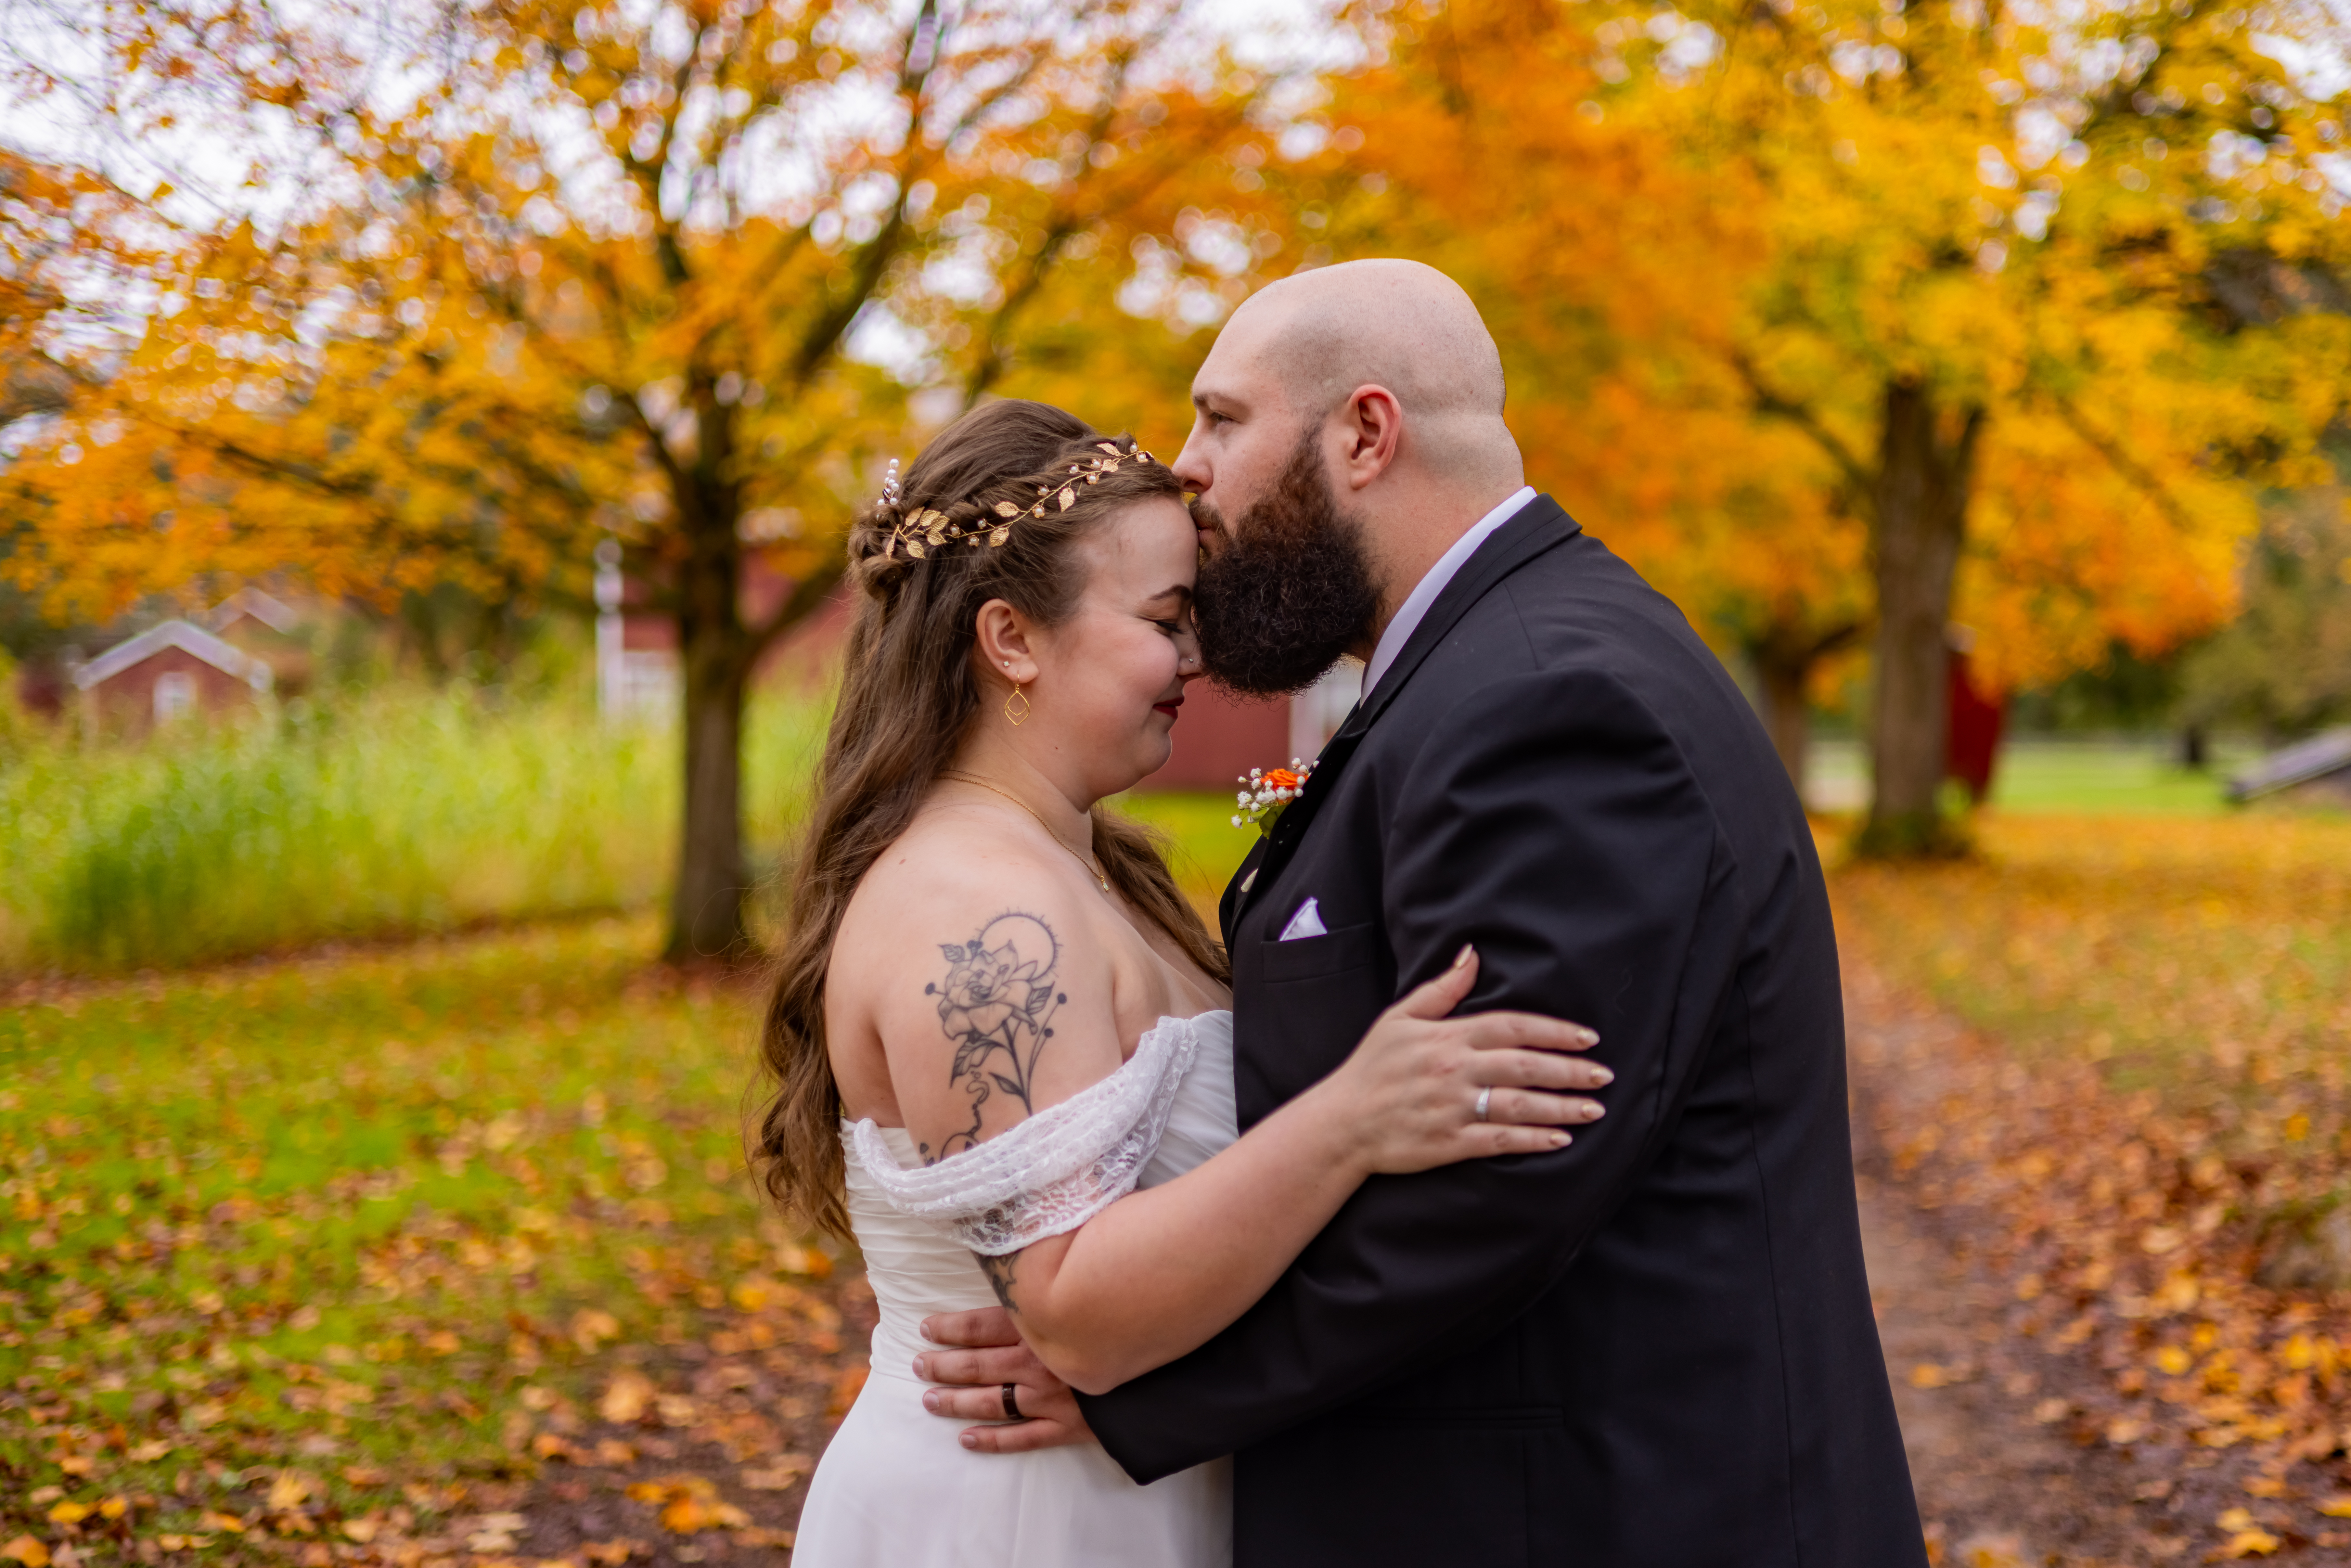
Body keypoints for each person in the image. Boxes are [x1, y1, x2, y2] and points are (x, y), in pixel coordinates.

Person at [914, 260, 1929, 1566]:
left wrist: (1140, 1382)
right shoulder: (1482, 673)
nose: (1187, 472)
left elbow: (1505, 1178)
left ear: (1366, 433)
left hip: (1613, 1513)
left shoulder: (1554, 702)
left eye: (1222, 420)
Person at [752, 398, 1613, 1567]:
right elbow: (1072, 1309)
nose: (1197, 658)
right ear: (1011, 639)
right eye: (1166, 619)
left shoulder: (1076, 867)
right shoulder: (983, 914)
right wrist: (1353, 1118)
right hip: (1023, 1520)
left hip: (1115, 1489)